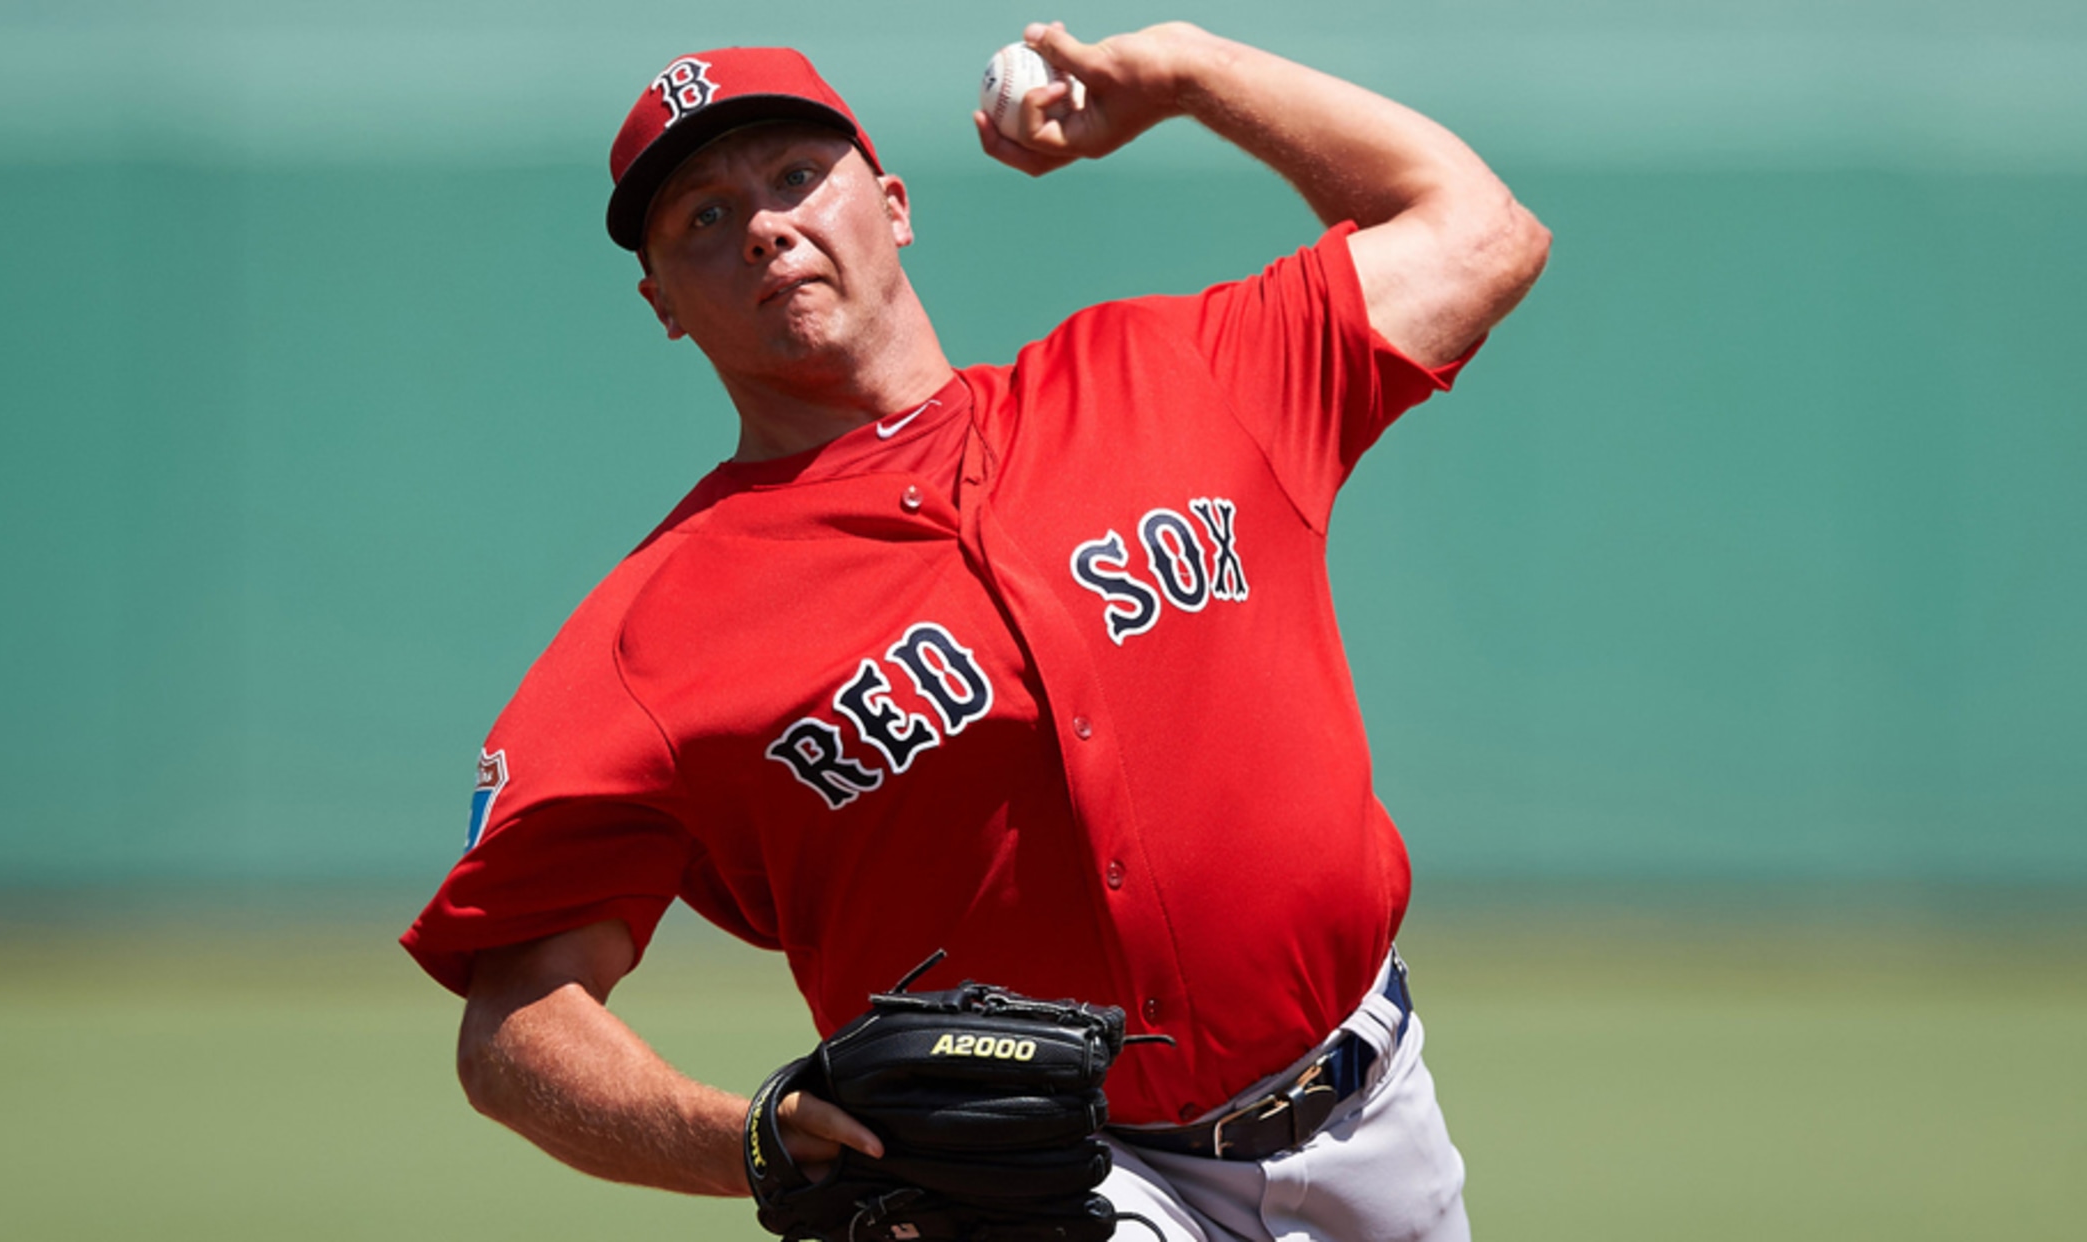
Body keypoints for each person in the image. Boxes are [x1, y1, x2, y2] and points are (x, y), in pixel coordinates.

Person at [402, 20, 1548, 1241]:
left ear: (893, 205)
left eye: (797, 175)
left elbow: (1482, 233)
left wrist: (1186, 71)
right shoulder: (652, 635)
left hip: (1377, 1117)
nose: (765, 227)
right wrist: (742, 1140)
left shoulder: (1174, 377)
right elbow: (514, 1016)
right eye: (704, 217)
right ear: (662, 305)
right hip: (1038, 1191)